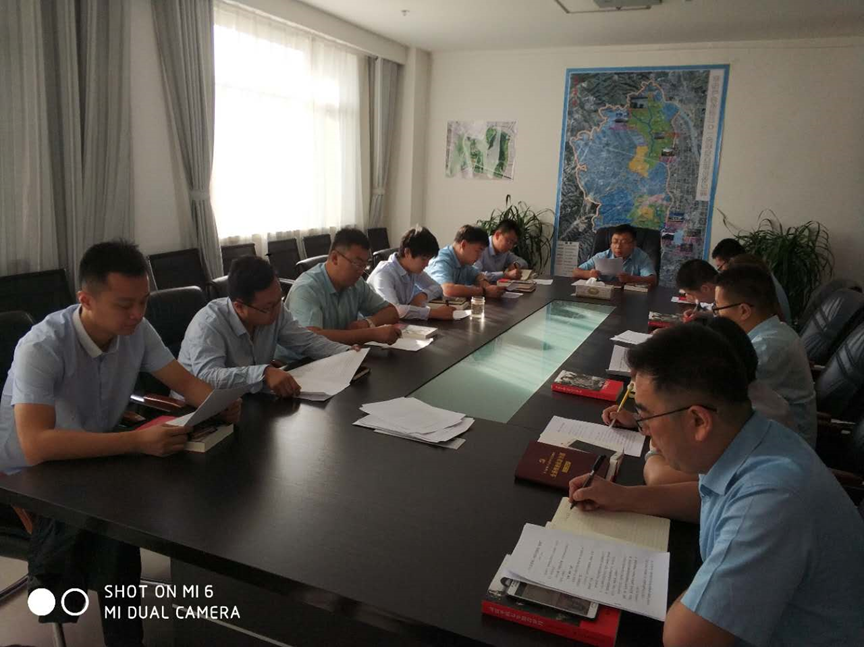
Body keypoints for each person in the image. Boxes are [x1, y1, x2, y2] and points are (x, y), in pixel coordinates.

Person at [0, 240, 241, 646]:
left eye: (143, 301)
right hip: (25, 475)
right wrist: (135, 441)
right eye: (125, 305)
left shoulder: (137, 330)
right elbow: (36, 444)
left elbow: (184, 382)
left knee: (180, 485)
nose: (137, 314)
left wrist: (219, 403)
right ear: (86, 300)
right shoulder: (42, 346)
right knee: (117, 523)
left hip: (92, 452)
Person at [569, 324, 864, 647]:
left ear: (698, 421)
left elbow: (685, 639)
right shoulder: (754, 438)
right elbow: (709, 497)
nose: (645, 432)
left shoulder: (773, 496)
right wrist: (623, 496)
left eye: (646, 418)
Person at [604, 318, 795, 486]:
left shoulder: (757, 488)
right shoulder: (736, 423)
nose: (650, 435)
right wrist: (647, 419)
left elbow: (658, 477)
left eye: (649, 419)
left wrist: (655, 442)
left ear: (698, 421)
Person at [178, 255, 353, 398]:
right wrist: (264, 373)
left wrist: (348, 354)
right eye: (268, 307)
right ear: (239, 306)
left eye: (279, 300)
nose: (277, 311)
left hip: (247, 399)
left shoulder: (274, 308)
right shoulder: (209, 323)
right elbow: (208, 377)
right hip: (194, 410)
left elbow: (307, 341)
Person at [714, 265, 817, 446]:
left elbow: (720, 394)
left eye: (718, 308)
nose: (716, 315)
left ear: (744, 310)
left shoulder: (766, 348)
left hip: (785, 445)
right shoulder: (775, 329)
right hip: (770, 430)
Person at [286, 227, 401, 346]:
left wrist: (368, 323)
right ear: (334, 258)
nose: (361, 271)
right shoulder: (307, 288)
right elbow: (311, 339)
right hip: (300, 357)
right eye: (357, 264)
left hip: (342, 353)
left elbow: (391, 312)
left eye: (364, 265)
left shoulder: (356, 283)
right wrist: (371, 334)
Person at [367, 226, 455, 321]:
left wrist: (423, 295)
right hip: (373, 324)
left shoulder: (412, 269)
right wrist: (434, 313)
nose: (426, 264)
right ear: (407, 252)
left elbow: (437, 287)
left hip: (396, 322)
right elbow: (394, 310)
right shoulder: (384, 273)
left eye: (428, 260)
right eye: (423, 259)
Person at [711, 238, 791, 322]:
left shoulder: (755, 283)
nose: (722, 272)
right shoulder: (761, 275)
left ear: (732, 260)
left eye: (720, 267)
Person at [426, 225, 506, 299]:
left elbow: (478, 275)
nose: (480, 256)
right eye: (478, 251)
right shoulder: (441, 260)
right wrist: (484, 291)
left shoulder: (464, 262)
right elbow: (447, 290)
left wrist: (487, 286)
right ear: (463, 245)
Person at [572, 224, 657, 286]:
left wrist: (630, 279)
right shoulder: (602, 256)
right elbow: (575, 272)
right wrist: (589, 274)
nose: (618, 247)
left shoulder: (641, 257)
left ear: (634, 244)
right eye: (615, 242)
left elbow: (652, 280)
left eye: (624, 243)